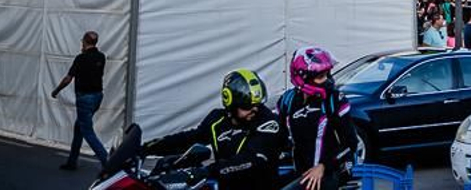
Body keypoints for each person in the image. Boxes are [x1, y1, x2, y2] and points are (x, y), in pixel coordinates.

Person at [142, 69, 281, 190]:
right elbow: (190, 138)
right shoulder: (217, 120)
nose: (254, 109)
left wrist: (206, 171)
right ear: (230, 102)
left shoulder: (269, 122)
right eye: (247, 106)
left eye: (257, 104)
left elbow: (253, 159)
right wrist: (148, 148)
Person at [278, 47, 355, 190]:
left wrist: (323, 166)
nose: (327, 80)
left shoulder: (334, 99)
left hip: (331, 171)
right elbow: (279, 138)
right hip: (302, 173)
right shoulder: (287, 100)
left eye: (327, 74)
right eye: (320, 76)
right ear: (302, 77)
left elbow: (351, 143)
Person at [51, 30, 109, 171]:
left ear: (84, 41)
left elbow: (68, 78)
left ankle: (108, 162)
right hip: (97, 96)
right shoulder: (101, 57)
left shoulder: (80, 59)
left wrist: (56, 90)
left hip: (85, 98)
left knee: (87, 131)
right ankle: (72, 161)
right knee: (79, 128)